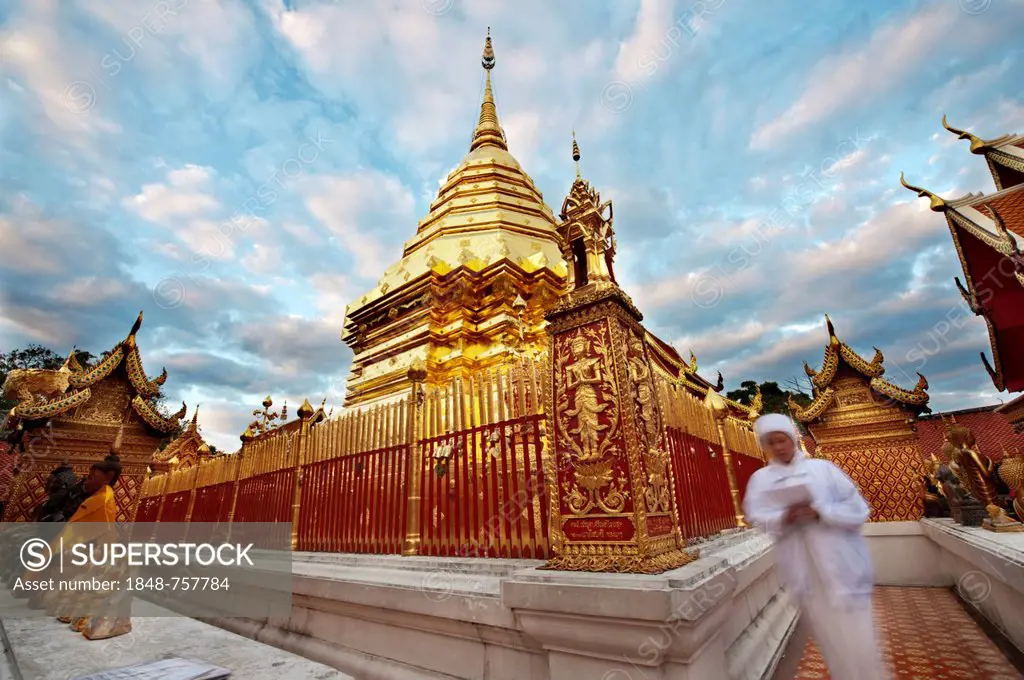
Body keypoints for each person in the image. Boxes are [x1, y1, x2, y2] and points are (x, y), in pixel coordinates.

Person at [742, 414, 887, 680]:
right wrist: (783, 517)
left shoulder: (824, 470)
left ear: (793, 438)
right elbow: (756, 517)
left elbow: (858, 509)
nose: (779, 447)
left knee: (862, 642)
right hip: (806, 575)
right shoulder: (761, 480)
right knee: (833, 645)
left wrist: (820, 512)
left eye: (782, 439)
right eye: (771, 442)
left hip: (844, 569)